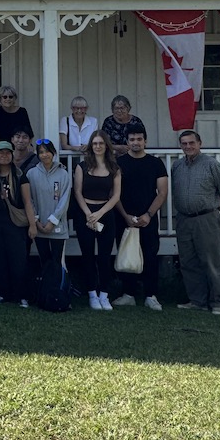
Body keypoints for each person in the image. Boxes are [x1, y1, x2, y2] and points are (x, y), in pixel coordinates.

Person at [172, 130, 220, 315]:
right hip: (184, 220)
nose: (188, 147)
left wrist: (213, 210)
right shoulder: (177, 166)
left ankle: (217, 304)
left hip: (206, 219)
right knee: (188, 262)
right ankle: (197, 301)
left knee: (211, 262)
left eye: (191, 143)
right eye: (184, 144)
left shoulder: (212, 165)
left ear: (199, 143)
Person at [113, 129, 168, 311]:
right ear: (127, 142)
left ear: (145, 141)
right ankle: (128, 294)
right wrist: (125, 216)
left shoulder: (156, 163)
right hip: (124, 217)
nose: (135, 142)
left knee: (150, 256)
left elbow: (162, 192)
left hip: (148, 217)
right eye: (132, 139)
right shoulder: (119, 163)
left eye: (139, 139)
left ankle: (150, 296)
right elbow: (115, 193)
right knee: (126, 254)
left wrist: (149, 215)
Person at [0, 141, 37, 308]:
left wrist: (32, 225)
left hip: (15, 224)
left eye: (7, 152)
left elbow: (28, 202)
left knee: (18, 260)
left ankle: (21, 295)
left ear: (12, 155)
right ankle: (2, 292)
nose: (4, 155)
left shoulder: (20, 176)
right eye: (0, 152)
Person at [74, 130, 121, 310]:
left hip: (105, 213)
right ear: (91, 146)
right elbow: (77, 191)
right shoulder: (82, 166)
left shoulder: (114, 168)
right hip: (85, 213)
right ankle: (92, 294)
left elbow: (116, 196)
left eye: (101, 143)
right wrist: (88, 213)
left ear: (106, 145)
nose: (98, 146)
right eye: (95, 143)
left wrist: (100, 213)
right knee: (87, 256)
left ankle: (104, 295)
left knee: (104, 256)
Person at [27, 139, 72, 269]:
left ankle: (57, 288)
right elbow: (29, 199)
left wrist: (53, 221)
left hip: (57, 226)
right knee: (44, 261)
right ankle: (46, 288)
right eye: (41, 152)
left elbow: (64, 200)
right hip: (39, 226)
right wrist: (36, 221)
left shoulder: (63, 173)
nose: (44, 155)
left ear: (53, 152)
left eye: (47, 151)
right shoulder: (31, 174)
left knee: (57, 262)